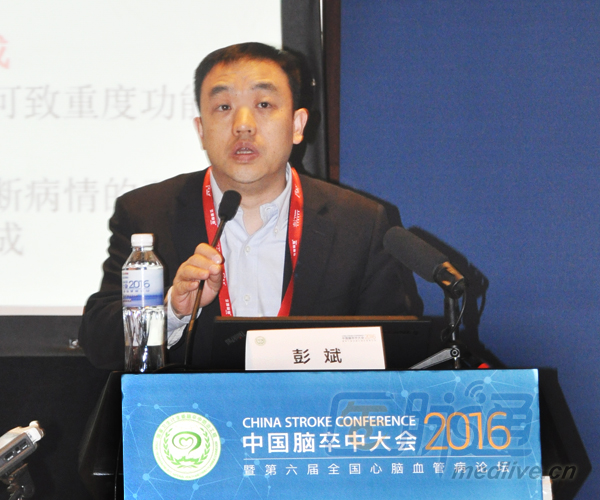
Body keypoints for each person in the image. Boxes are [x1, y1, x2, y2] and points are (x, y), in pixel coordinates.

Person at [78, 42, 422, 370]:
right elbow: (99, 342)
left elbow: (398, 350)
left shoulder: (360, 224)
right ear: (201, 130)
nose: (243, 125)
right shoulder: (147, 214)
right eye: (223, 107)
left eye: (264, 105)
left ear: (297, 125)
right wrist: (171, 311)